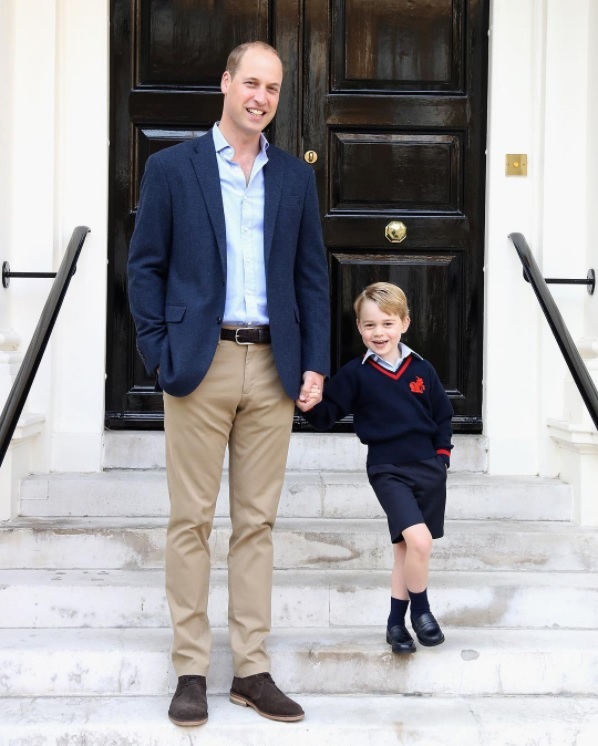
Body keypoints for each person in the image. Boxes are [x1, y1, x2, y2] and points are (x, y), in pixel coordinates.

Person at [127, 41, 330, 727]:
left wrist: (315, 362)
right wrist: (158, 351)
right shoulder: (171, 169)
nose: (261, 98)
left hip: (273, 366)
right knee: (191, 521)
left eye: (272, 88)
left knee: (257, 524)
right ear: (225, 83)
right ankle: (190, 666)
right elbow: (145, 266)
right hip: (199, 362)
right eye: (251, 82)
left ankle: (251, 669)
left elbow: (311, 275)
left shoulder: (295, 178)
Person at [298, 282, 452, 655]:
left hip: (428, 468)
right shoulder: (356, 374)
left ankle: (395, 625)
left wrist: (442, 459)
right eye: (369, 325)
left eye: (386, 323)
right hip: (387, 469)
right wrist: (307, 404)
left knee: (405, 550)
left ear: (404, 323)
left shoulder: (422, 369)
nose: (378, 332)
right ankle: (423, 612)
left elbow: (443, 416)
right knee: (420, 542)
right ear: (359, 328)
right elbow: (326, 416)